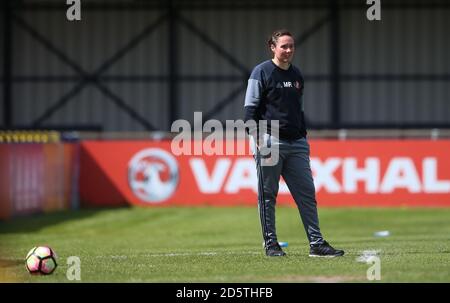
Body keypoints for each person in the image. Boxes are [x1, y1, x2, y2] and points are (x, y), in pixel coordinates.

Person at [244, 29, 344, 257]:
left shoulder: (297, 75)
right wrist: (257, 138)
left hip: (297, 143)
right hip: (269, 141)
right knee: (268, 195)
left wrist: (302, 136)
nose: (288, 51)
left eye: (291, 46)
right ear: (273, 47)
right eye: (284, 46)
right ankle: (271, 245)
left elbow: (297, 111)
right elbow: (249, 111)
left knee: (307, 194)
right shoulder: (261, 72)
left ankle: (317, 245)